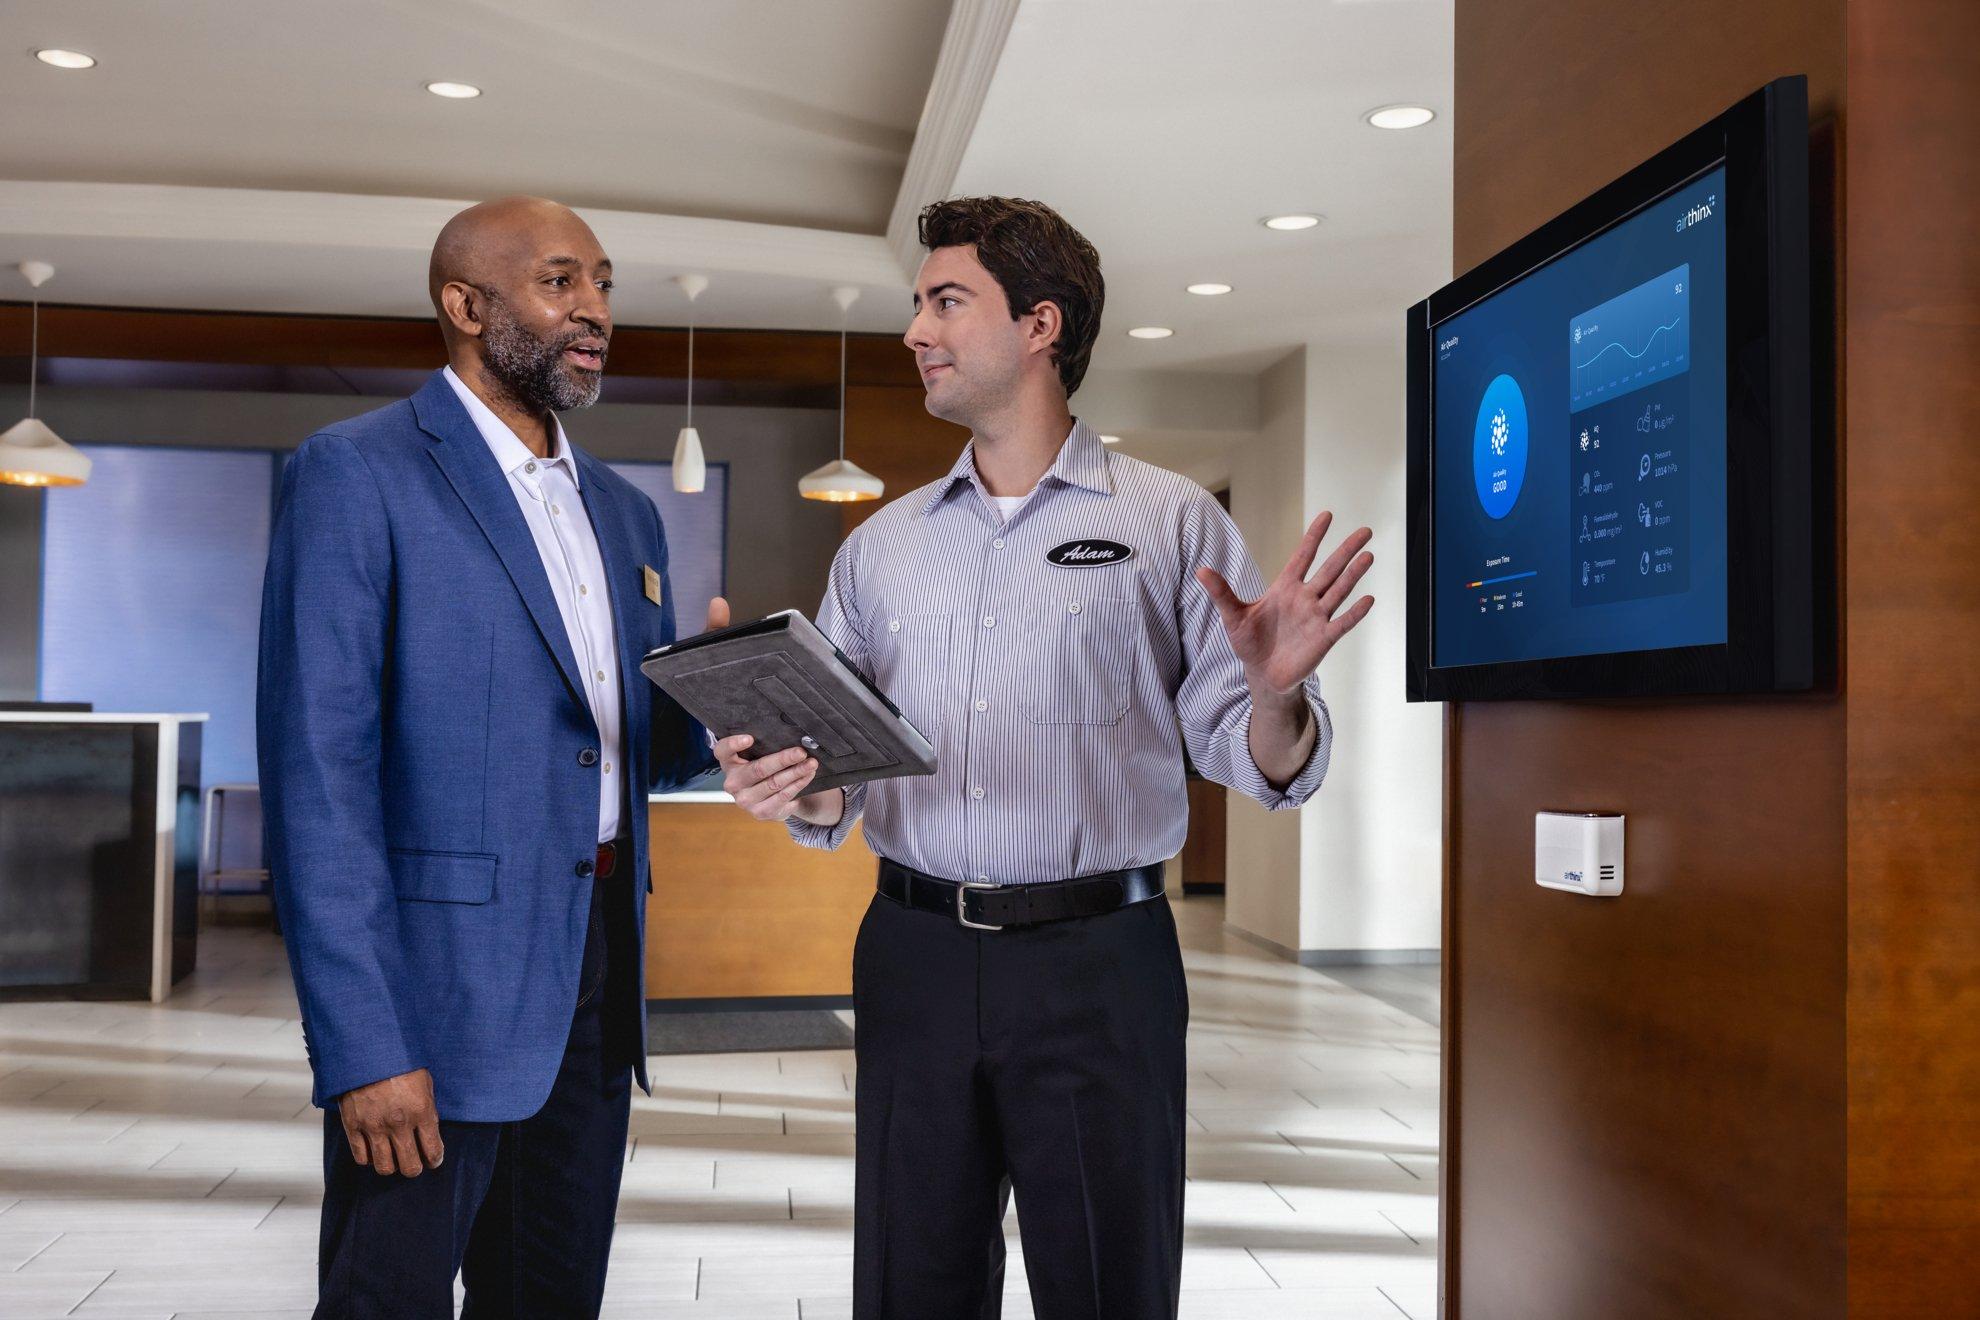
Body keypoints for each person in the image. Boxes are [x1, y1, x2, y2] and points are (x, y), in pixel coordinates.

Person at [714, 196, 1375, 1319]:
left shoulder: (1171, 526)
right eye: (918, 305)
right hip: (913, 954)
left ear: (1039, 325)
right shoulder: (882, 550)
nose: (916, 330)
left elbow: (1251, 754)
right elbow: (842, 765)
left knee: (1108, 1283)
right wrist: (795, 774)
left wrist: (1274, 693)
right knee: (910, 1282)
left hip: (1100, 966)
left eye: (945, 301)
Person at [257, 196, 723, 1318]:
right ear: (465, 305)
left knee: (554, 1298)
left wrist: (720, 702)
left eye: (604, 283)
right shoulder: (355, 473)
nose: (596, 311)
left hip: (596, 978)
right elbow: (318, 782)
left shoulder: (625, 515)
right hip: (435, 998)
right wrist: (365, 1047)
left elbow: (625, 753)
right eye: (562, 281)